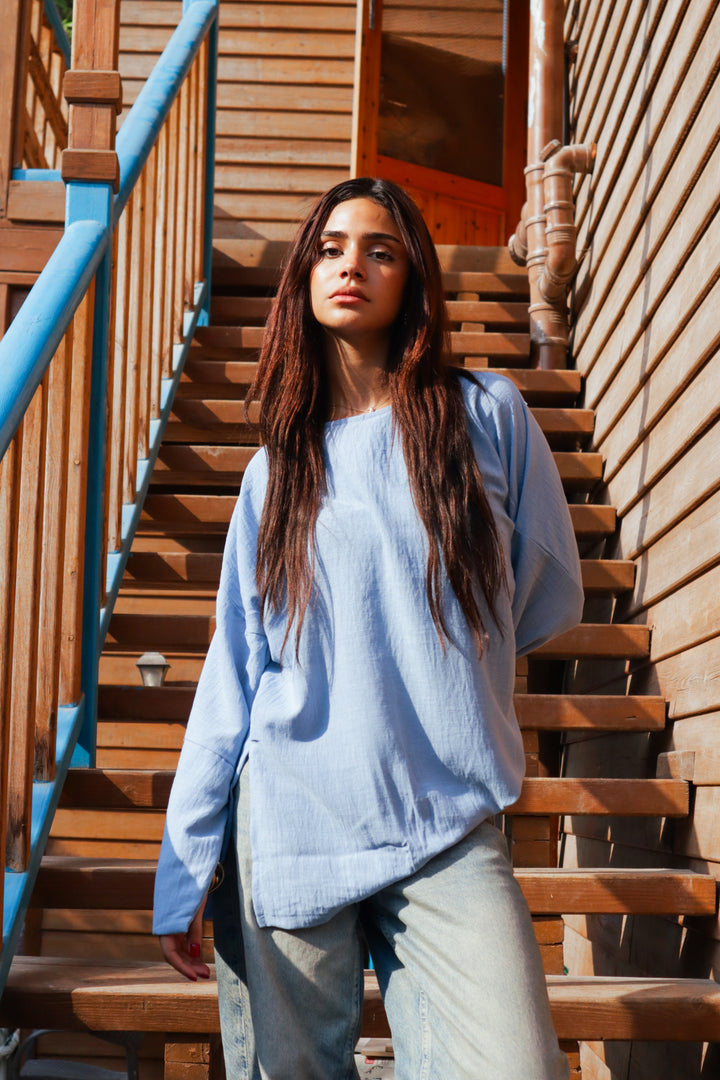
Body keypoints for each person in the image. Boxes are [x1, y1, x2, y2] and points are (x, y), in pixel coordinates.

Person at [153, 177, 583, 1080]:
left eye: (380, 249)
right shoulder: (276, 475)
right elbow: (234, 676)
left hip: (447, 820)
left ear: (412, 277)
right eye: (333, 246)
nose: (353, 264)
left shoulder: (487, 415)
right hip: (294, 823)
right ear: (305, 275)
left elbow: (540, 589)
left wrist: (454, 666)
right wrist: (185, 864)